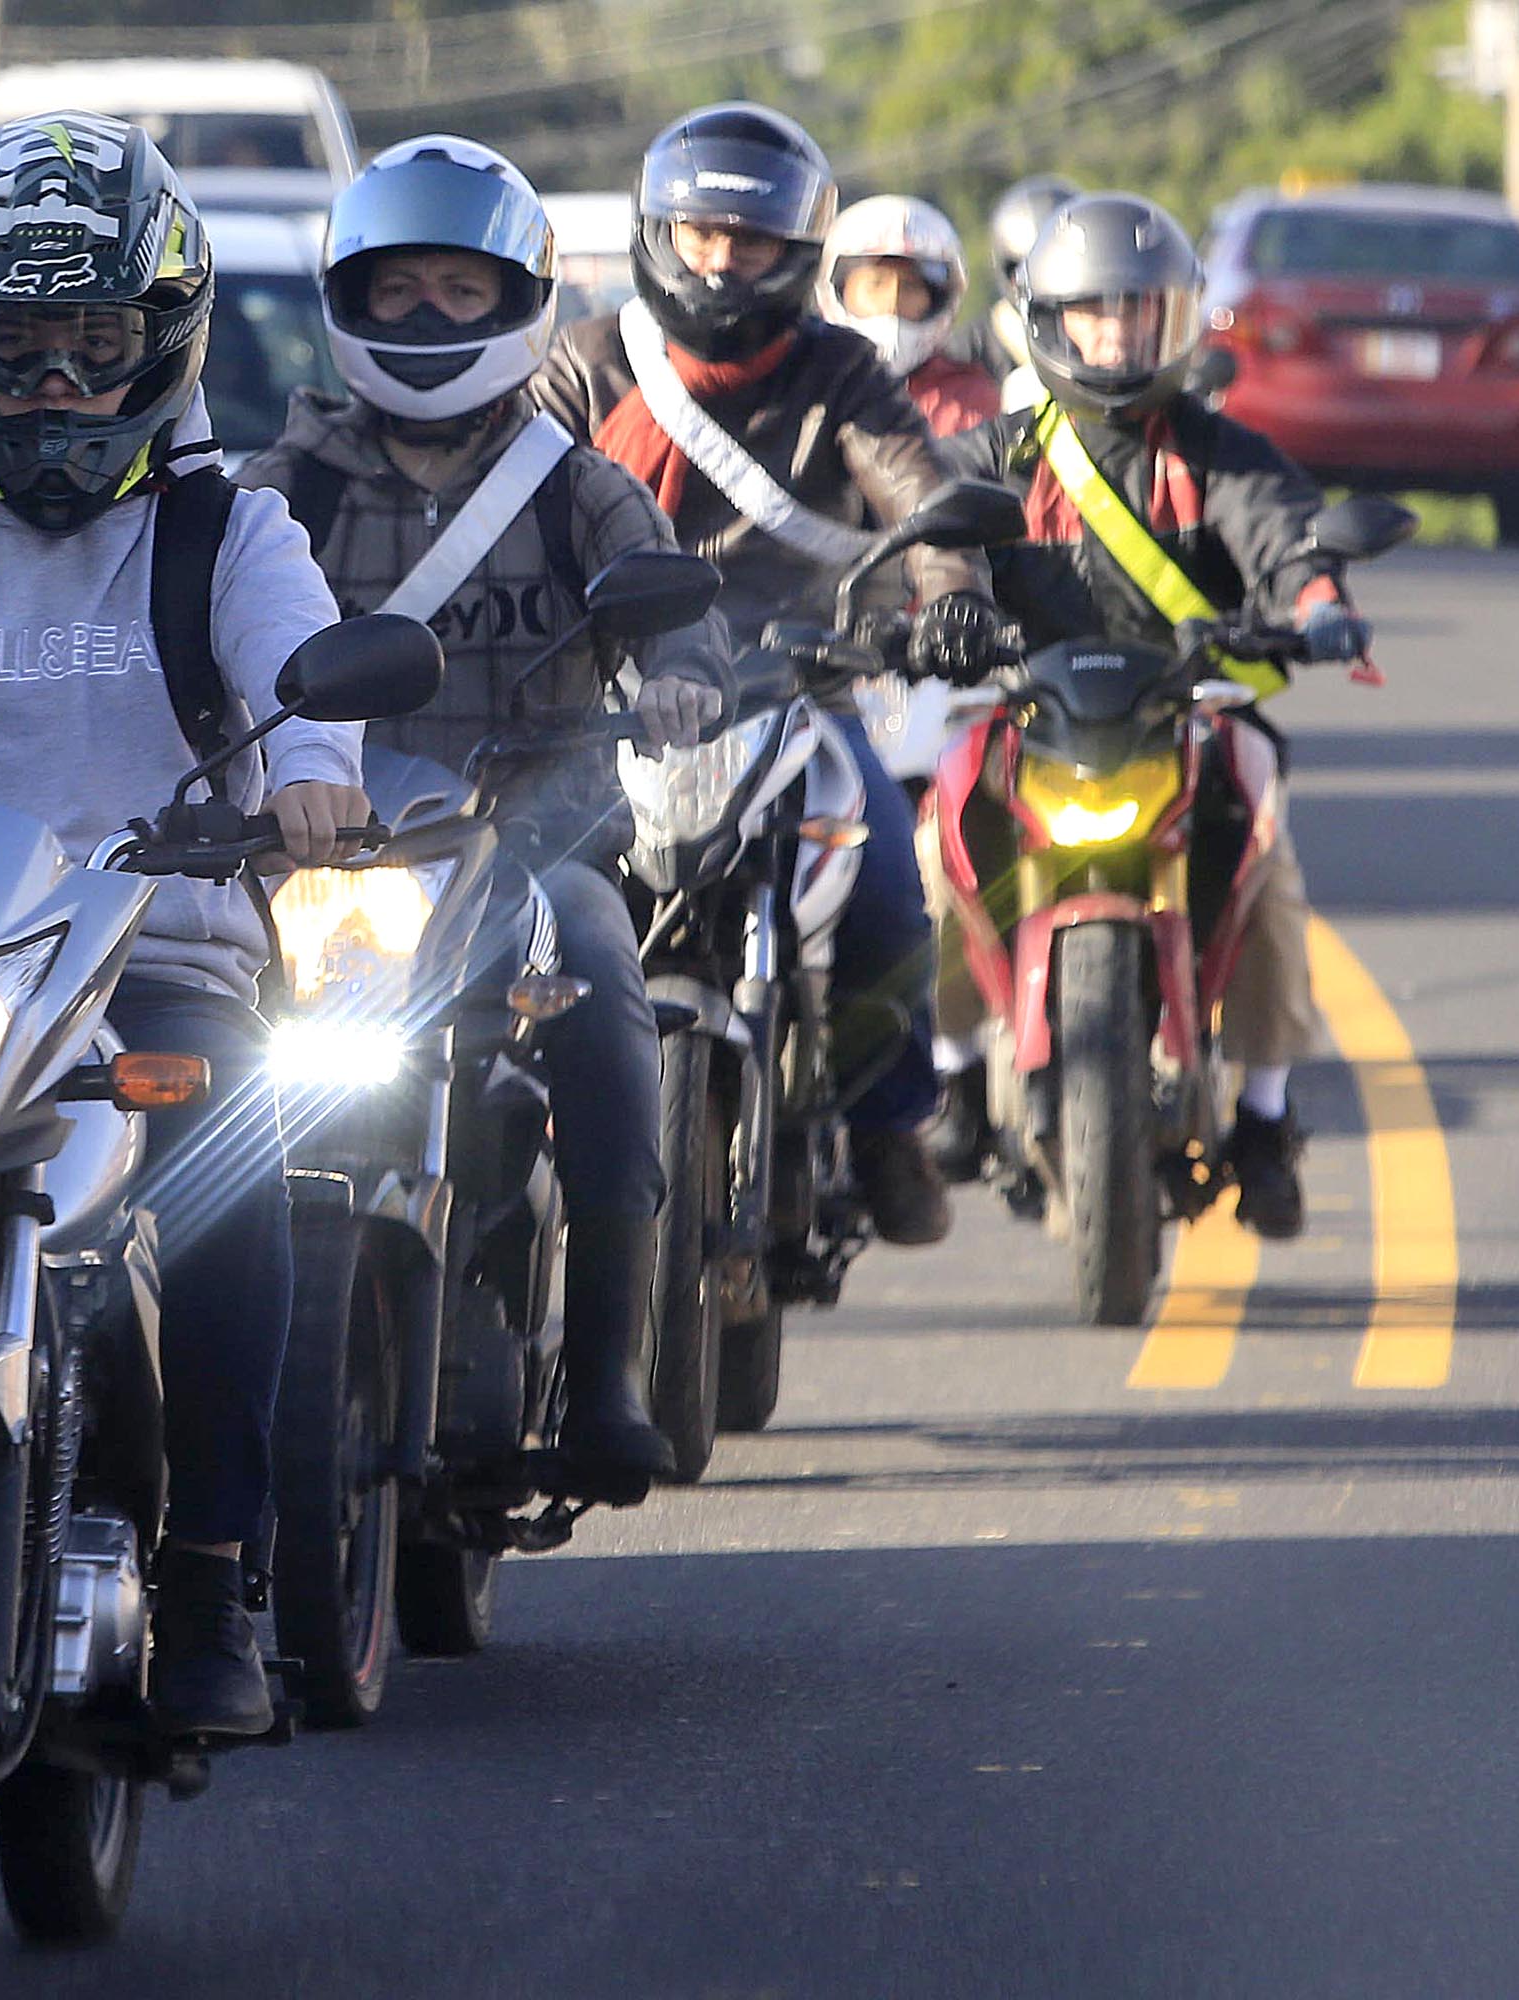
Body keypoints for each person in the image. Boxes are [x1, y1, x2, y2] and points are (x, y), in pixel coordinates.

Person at [0, 112, 367, 1735]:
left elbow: (298, 673)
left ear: (159, 349)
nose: (55, 386)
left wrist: (315, 778)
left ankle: (210, 1570)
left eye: (92, 344)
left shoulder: (232, 530)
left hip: (158, 965)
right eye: (20, 346)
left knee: (236, 1174)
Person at [235, 133, 728, 1498]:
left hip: (531, 841)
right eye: (401, 292)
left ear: (519, 298)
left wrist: (683, 682)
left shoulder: (577, 485)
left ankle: (615, 1371)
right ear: (351, 299)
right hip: (325, 857)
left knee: (610, 979)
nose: (431, 317)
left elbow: (678, 618)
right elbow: (196, 631)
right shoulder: (291, 487)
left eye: (463, 289)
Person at [534, 101, 1009, 1247]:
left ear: (798, 254)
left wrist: (952, 598)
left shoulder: (843, 373)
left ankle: (892, 1127)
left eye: (747, 241)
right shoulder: (587, 362)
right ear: (661, 233)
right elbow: (516, 508)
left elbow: (921, 495)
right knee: (518, 906)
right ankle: (500, 1135)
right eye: (700, 235)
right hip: (610, 709)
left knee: (896, 888)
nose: (721, 259)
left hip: (796, 692)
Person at [935, 193, 1368, 1236]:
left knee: (1271, 871)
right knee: (937, 845)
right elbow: (932, 538)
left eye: (1139, 312)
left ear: (1175, 321)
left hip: (1193, 714)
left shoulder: (1221, 451)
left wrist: (1317, 605)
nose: (1117, 333)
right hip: (1033, 717)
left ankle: (1264, 1115)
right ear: (1049, 320)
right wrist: (935, 603)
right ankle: (948, 1074)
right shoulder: (997, 453)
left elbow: (1288, 539)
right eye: (1095, 312)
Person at [819, 194, 998, 439]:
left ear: (938, 299)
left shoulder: (969, 400)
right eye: (875, 284)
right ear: (839, 290)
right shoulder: (812, 391)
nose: (892, 303)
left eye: (910, 287)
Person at [952, 172, 1083, 403]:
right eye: (1027, 271)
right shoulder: (961, 357)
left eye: (1056, 266)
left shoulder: (1109, 341)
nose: (1044, 284)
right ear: (1007, 271)